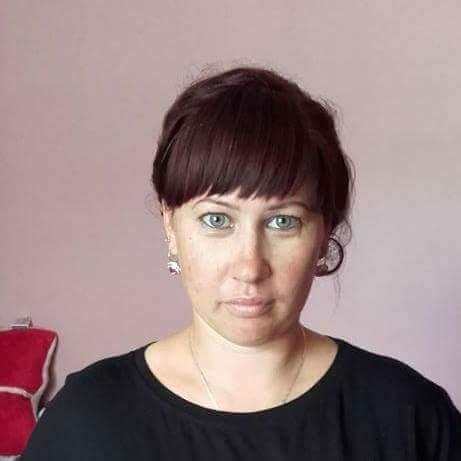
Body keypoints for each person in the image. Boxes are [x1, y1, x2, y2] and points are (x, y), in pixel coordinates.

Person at [20, 66, 460, 460]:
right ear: (171, 225)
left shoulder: (408, 416)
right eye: (217, 220)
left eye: (283, 221)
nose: (250, 266)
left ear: (324, 232)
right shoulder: (88, 419)